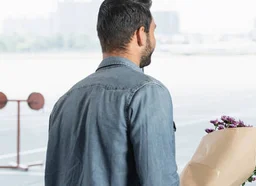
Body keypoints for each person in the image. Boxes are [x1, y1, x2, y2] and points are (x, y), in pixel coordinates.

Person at [44, 0, 179, 185]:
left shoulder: (65, 101)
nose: (154, 40)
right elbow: (160, 181)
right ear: (140, 35)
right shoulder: (147, 92)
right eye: (153, 31)